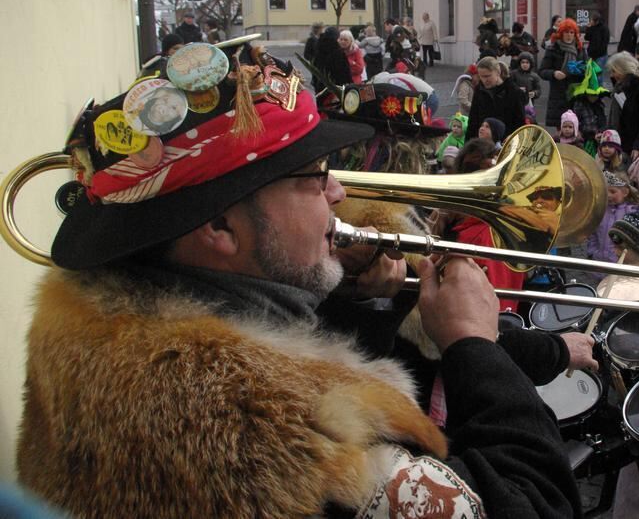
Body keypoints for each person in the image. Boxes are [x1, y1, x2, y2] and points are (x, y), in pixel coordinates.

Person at [16, 54, 581, 517]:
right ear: (218, 228)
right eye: (313, 179)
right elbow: (534, 502)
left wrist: (364, 303)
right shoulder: (280, 439)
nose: (337, 193)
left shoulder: (100, 343)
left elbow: (272, 337)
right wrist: (473, 344)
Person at [605, 51, 639, 158]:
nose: (612, 75)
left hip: (634, 146)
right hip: (619, 143)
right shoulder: (619, 87)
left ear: (622, 69)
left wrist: (638, 145)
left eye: (614, 71)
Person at [538, 18, 588, 128]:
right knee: (561, 129)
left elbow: (588, 70)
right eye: (566, 32)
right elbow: (542, 71)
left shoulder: (580, 49)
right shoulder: (553, 49)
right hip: (558, 95)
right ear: (561, 33)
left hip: (576, 94)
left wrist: (578, 69)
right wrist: (554, 73)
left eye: (572, 32)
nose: (569, 35)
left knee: (576, 129)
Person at [464, 57, 525, 142]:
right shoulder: (479, 90)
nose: (484, 80)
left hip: (505, 142)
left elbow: (520, 123)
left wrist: (512, 139)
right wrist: (468, 147)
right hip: (483, 143)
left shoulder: (514, 92)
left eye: (487, 76)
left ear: (498, 72)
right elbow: (473, 120)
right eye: (481, 76)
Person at [587, 171, 639, 264]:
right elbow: (593, 233)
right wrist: (592, 252)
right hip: (599, 262)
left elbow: (634, 242)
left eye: (613, 191)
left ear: (625, 192)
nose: (608, 195)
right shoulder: (601, 211)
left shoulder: (631, 213)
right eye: (605, 191)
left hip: (620, 264)